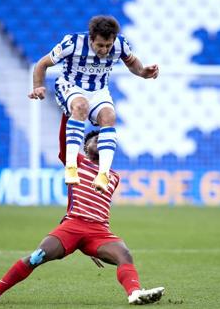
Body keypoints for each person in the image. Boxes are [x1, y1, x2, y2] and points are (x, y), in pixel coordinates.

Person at [0, 114, 165, 306]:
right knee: (37, 256)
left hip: (99, 231)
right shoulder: (76, 162)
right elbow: (64, 142)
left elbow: (97, 206)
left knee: (124, 255)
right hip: (72, 226)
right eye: (96, 139)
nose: (100, 142)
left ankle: (134, 293)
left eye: (104, 141)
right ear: (84, 147)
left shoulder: (113, 176)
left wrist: (92, 249)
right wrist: (68, 114)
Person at [28, 15, 159, 192]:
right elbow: (42, 64)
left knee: (109, 116)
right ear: (91, 38)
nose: (104, 50)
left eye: (108, 45)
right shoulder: (73, 42)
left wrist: (143, 72)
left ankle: (103, 174)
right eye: (100, 45)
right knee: (81, 106)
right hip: (71, 85)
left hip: (98, 90)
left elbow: (132, 62)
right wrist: (38, 86)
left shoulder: (120, 44)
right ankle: (71, 167)